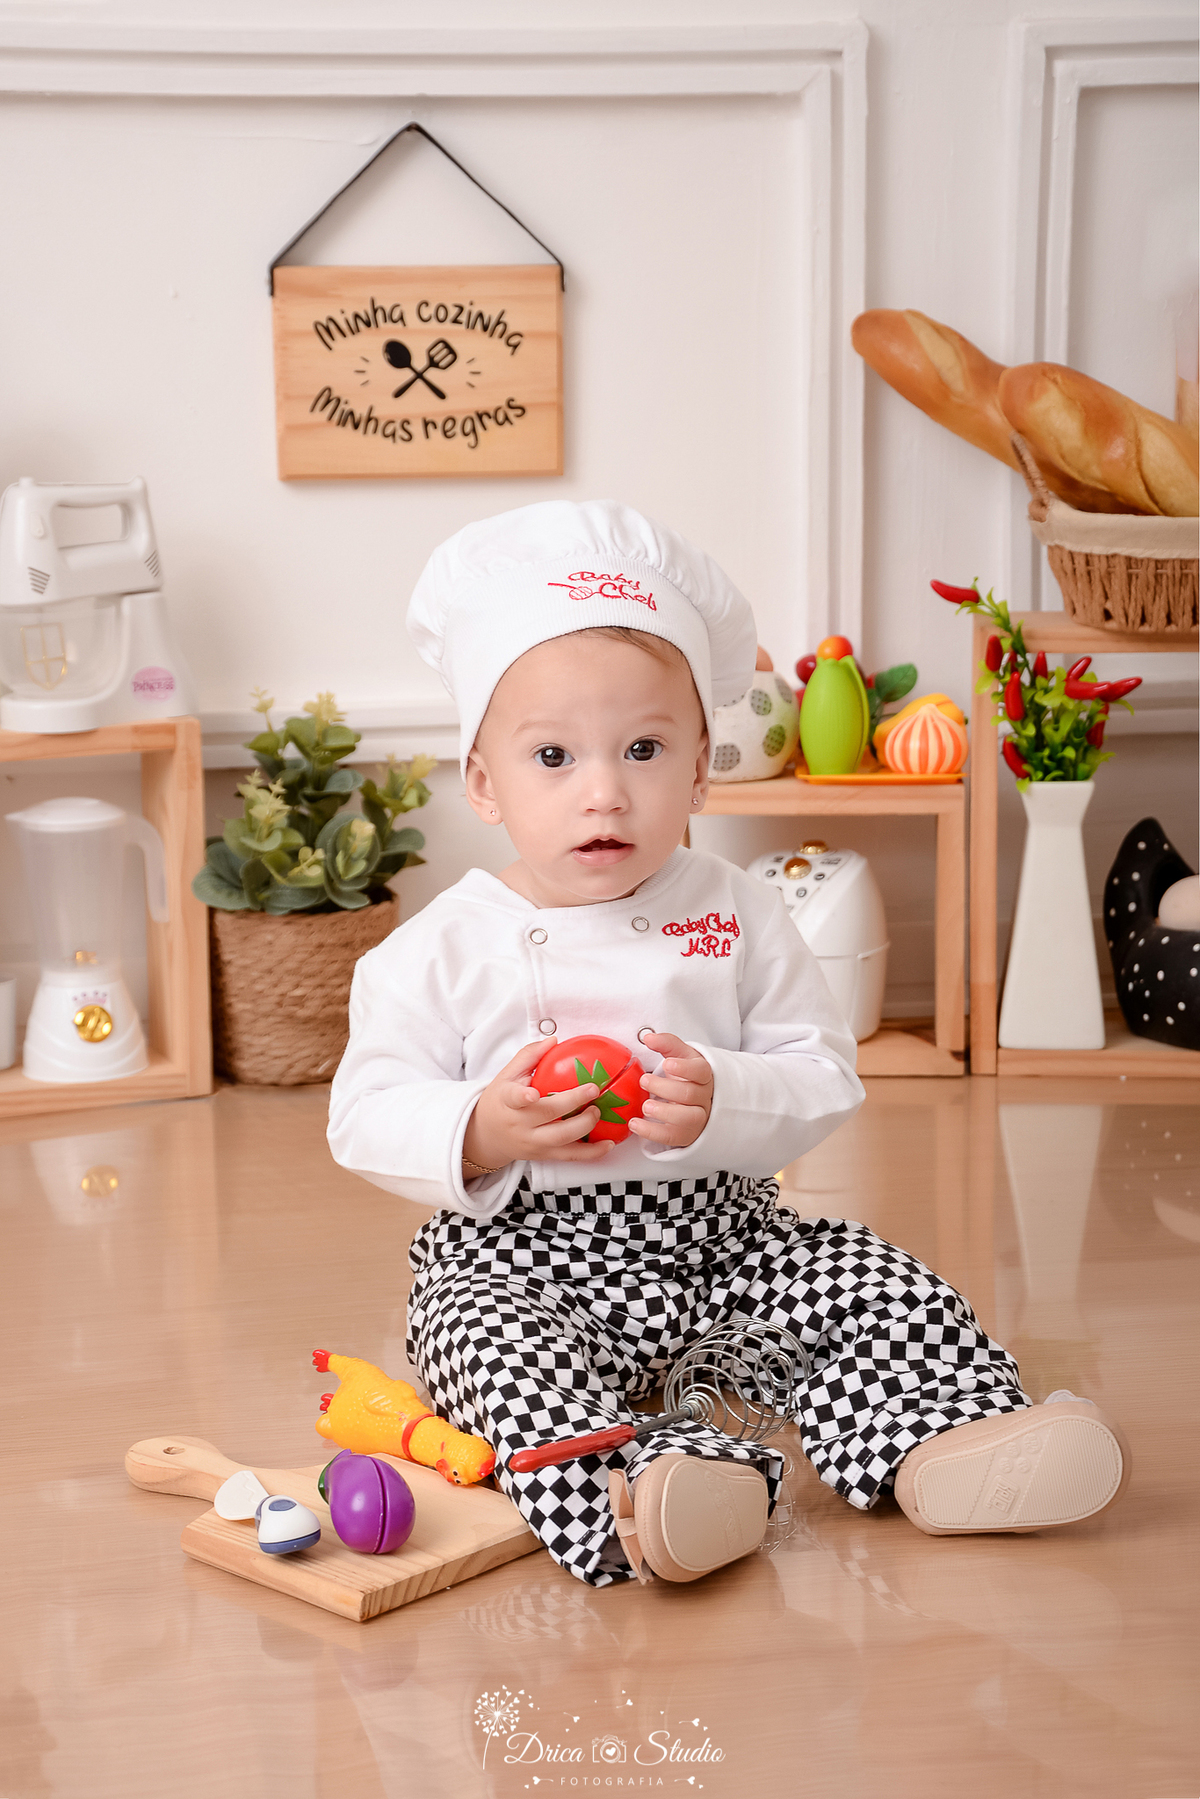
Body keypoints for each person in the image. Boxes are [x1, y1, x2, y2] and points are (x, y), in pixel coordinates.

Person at [328, 500, 1130, 1587]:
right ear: (483, 782)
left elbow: (819, 1070)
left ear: (703, 766)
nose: (604, 789)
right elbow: (365, 1110)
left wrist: (724, 1101)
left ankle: (940, 1441)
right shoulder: (438, 947)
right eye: (554, 755)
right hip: (518, 1256)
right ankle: (650, 1488)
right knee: (483, 1349)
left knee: (875, 1280)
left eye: (645, 748)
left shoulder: (739, 909)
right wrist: (479, 1122)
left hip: (723, 1245)